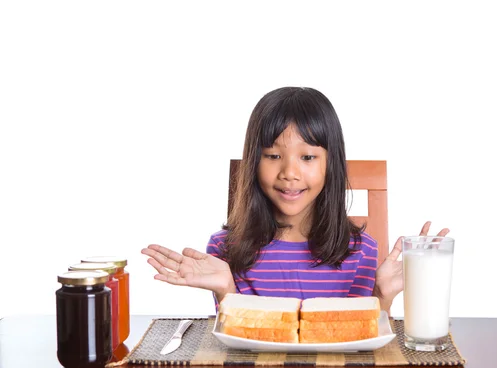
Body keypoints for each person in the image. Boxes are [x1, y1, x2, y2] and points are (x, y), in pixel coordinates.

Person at [141, 87, 449, 313]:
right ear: (253, 162)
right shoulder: (225, 250)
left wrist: (382, 295)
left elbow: (359, 340)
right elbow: (240, 342)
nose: (290, 172)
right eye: (273, 155)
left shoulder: (362, 251)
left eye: (308, 157)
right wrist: (226, 290)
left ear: (332, 164)